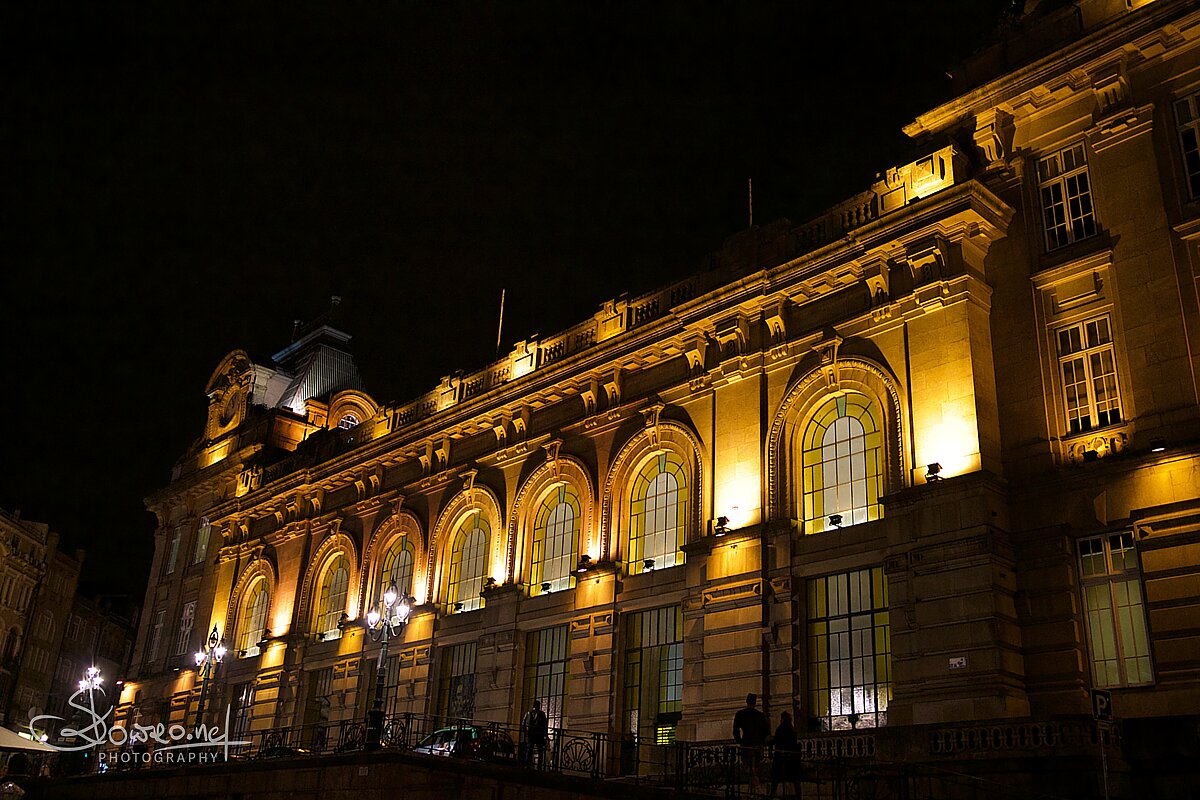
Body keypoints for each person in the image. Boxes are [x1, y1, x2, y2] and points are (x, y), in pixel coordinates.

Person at [733, 693, 770, 793]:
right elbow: (766, 731)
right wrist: (762, 742)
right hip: (758, 745)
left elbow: (735, 730)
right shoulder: (760, 715)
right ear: (755, 702)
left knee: (749, 768)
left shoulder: (740, 714)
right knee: (755, 768)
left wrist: (739, 741)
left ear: (746, 701)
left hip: (747, 744)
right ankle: (754, 789)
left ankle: (756, 788)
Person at [769, 711, 800, 798]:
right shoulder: (792, 729)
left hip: (780, 757)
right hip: (791, 758)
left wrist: (768, 742)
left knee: (775, 779)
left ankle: (772, 795)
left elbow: (775, 740)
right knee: (795, 779)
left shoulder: (780, 729)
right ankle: (798, 796)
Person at [521, 699, 549, 769]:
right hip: (531, 734)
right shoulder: (528, 713)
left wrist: (545, 734)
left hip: (539, 734)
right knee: (530, 749)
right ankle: (528, 764)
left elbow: (544, 725)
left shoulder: (541, 714)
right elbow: (524, 724)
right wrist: (526, 732)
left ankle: (538, 766)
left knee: (539, 750)